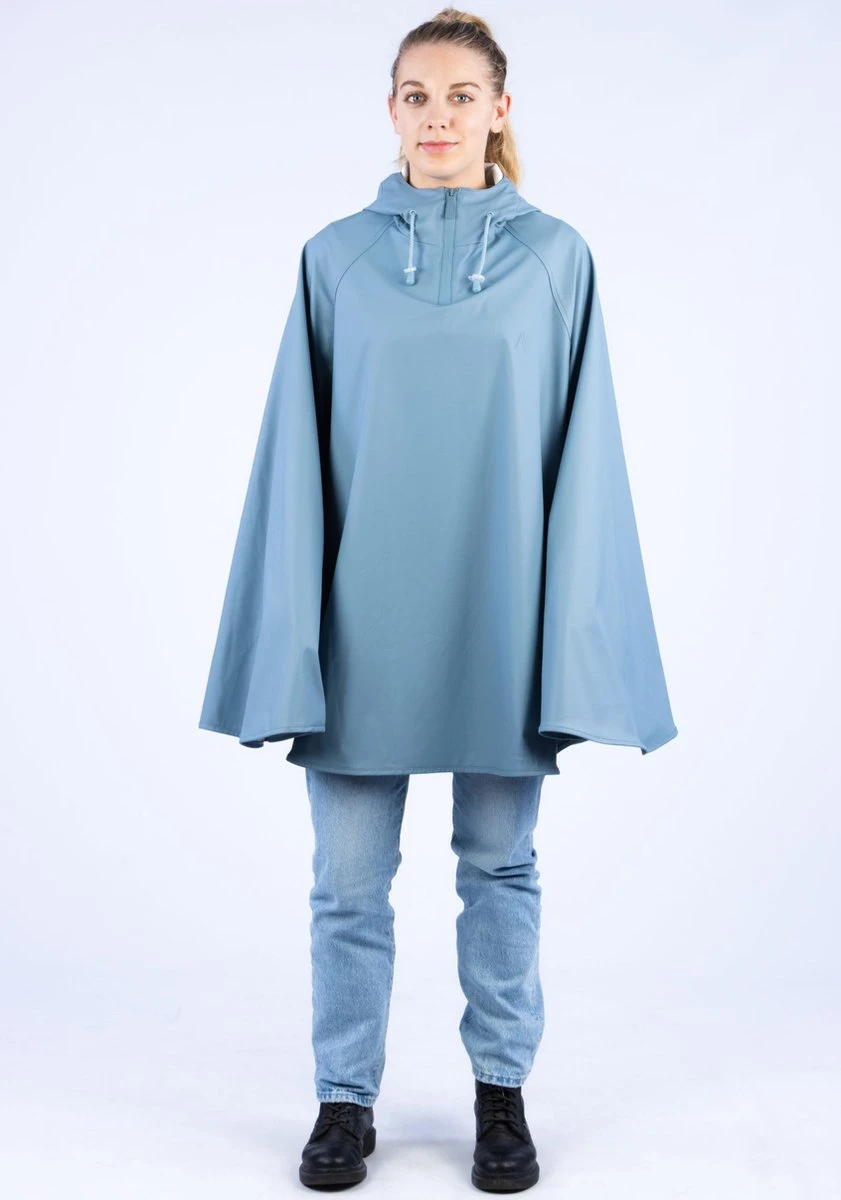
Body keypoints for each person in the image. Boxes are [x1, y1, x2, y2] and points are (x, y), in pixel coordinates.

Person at [198, 7, 678, 1192]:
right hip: (362, 625)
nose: (438, 115)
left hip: (500, 617)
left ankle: (500, 1095)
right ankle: (343, 1101)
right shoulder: (335, 259)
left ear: (499, 110)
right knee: (346, 885)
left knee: (499, 868)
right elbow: (295, 459)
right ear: (391, 111)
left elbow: (583, 458)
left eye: (461, 95)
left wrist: (570, 638)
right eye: (416, 94)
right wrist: (291, 639)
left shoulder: (557, 259)